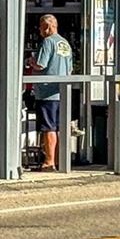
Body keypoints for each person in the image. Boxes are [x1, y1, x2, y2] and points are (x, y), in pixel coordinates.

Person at [26, 14, 73, 171]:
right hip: (62, 91)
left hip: (47, 91)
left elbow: (41, 64)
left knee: (48, 127)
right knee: (58, 127)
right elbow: (70, 69)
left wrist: (30, 61)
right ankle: (59, 160)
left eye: (40, 27)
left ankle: (49, 161)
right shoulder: (65, 43)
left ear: (46, 27)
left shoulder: (47, 42)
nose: (40, 31)